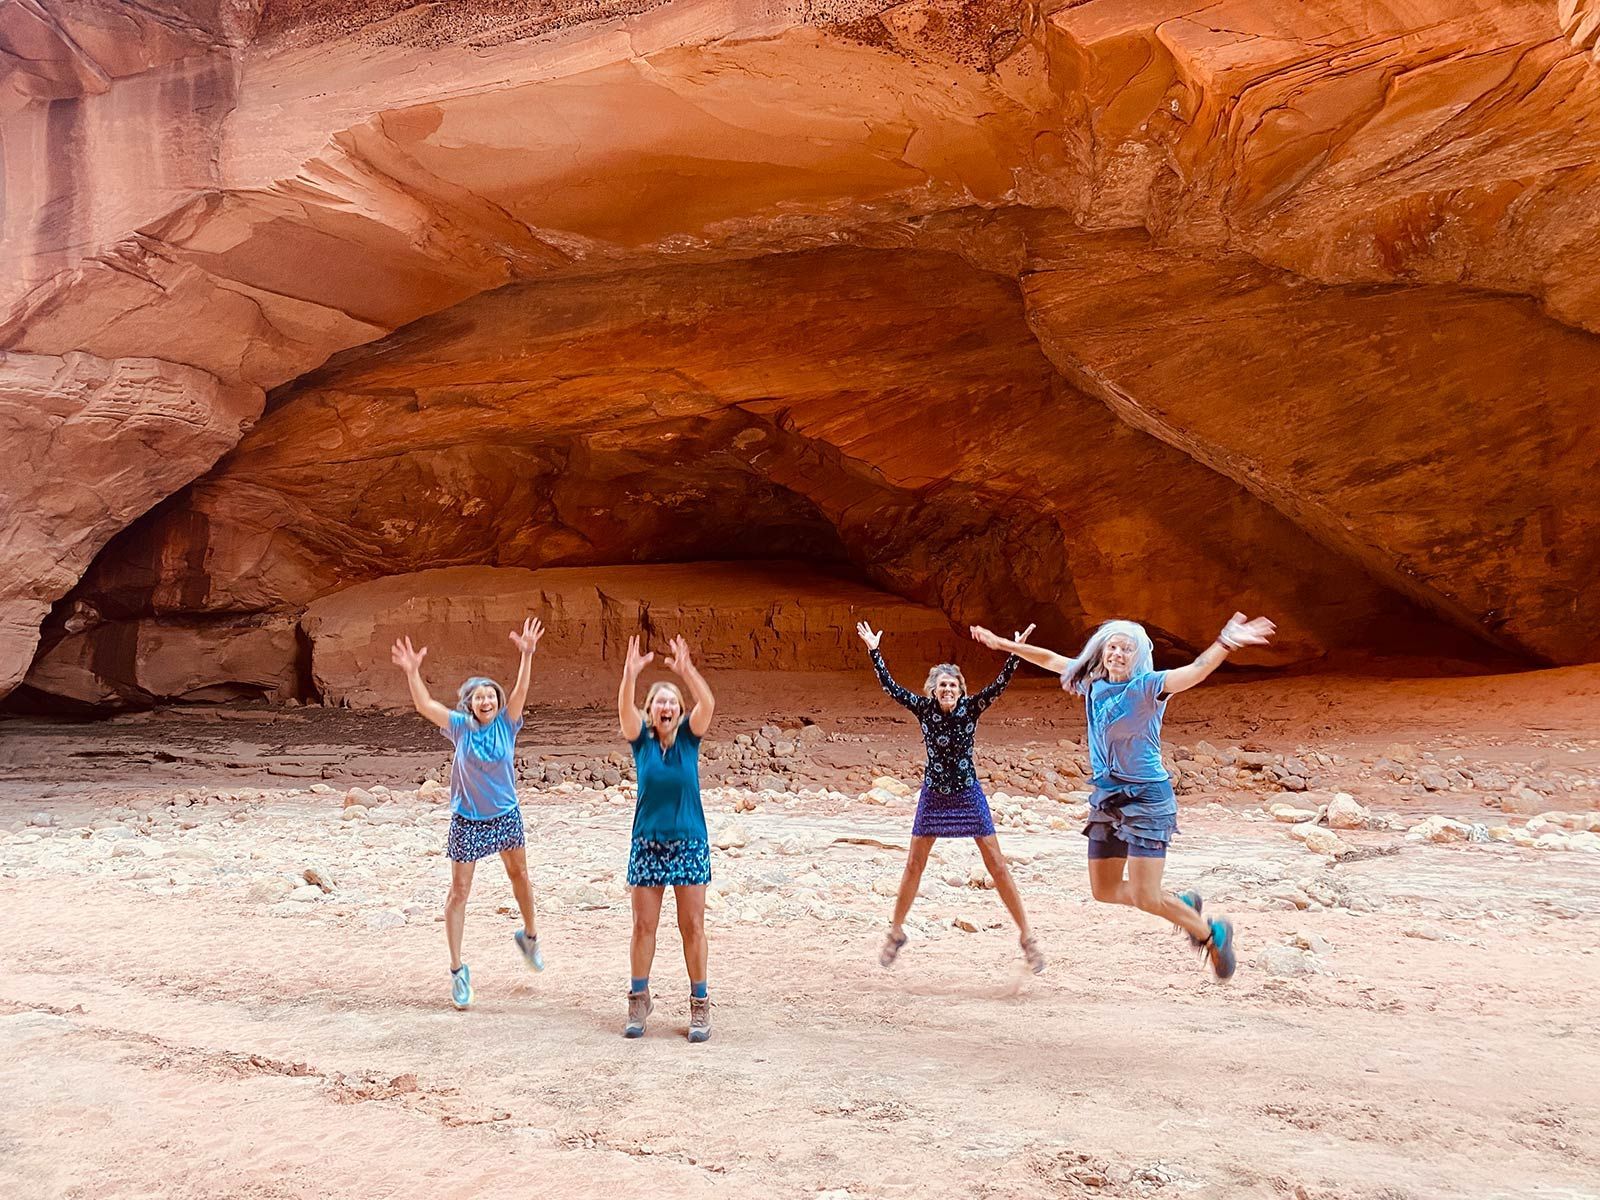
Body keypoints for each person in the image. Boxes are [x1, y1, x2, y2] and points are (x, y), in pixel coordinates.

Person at [969, 612, 1276, 980]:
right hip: (1108, 797)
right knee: (1105, 889)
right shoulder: (1093, 683)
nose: (1117, 654)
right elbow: (1050, 659)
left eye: (1126, 649)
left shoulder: (1149, 687)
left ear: (1139, 656)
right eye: (1112, 647)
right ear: (1101, 652)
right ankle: (1180, 906)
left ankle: (1212, 934)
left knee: (1147, 897)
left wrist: (1226, 641)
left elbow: (1195, 670)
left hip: (1147, 798)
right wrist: (1003, 644)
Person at [856, 619, 1046, 976]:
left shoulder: (971, 708)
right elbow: (891, 688)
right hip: (934, 795)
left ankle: (1027, 938)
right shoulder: (924, 709)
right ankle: (895, 933)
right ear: (933, 690)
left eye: (953, 684)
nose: (947, 689)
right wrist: (874, 651)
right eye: (941, 684)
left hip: (967, 793)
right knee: (914, 864)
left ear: (960, 689)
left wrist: (1015, 649)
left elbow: (1000, 684)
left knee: (997, 865)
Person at [391, 618, 547, 1010]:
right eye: (478, 697)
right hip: (467, 819)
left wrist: (527, 655)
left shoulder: (508, 725)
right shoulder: (460, 727)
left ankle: (529, 937)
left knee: (520, 876)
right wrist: (413, 672)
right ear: (470, 704)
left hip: (505, 814)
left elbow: (522, 689)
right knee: (458, 893)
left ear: (497, 699)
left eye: (490, 695)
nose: (486, 701)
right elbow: (425, 705)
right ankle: (458, 971)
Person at [618, 633, 717, 1043]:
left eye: (672, 701)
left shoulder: (691, 739)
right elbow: (623, 707)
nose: (666, 705)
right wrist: (630, 673)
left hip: (689, 843)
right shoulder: (640, 741)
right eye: (660, 700)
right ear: (650, 710)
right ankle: (639, 998)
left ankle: (700, 1005)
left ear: (679, 712)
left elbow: (708, 705)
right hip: (647, 844)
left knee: (692, 925)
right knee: (644, 926)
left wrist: (686, 670)